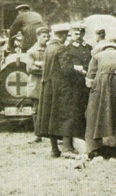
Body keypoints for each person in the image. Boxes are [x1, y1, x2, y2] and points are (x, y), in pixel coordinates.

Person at [36, 23, 88, 158]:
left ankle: (54, 149)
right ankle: (66, 148)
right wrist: (78, 70)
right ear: (63, 35)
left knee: (51, 118)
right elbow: (66, 70)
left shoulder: (49, 48)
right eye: (67, 35)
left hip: (49, 88)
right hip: (61, 89)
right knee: (67, 116)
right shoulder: (61, 49)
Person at [26, 26, 51, 143]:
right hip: (36, 85)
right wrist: (46, 67)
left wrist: (39, 64)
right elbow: (30, 69)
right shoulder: (31, 51)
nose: (46, 39)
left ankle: (53, 135)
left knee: (51, 109)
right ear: (37, 37)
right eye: (43, 36)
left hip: (49, 84)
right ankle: (37, 135)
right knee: (36, 111)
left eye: (47, 36)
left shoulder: (50, 49)